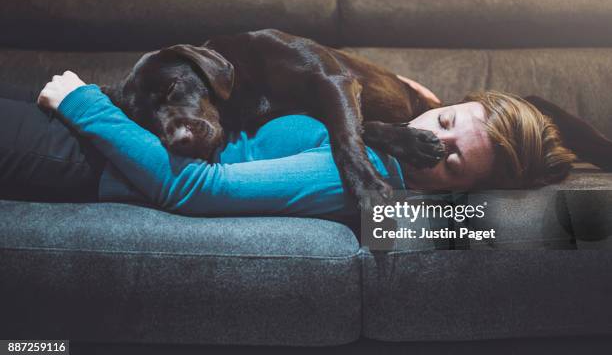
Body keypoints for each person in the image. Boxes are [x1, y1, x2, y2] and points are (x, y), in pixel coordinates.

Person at [0, 71, 575, 221]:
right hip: (124, 124)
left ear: (462, 192)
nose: (430, 141)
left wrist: (84, 105)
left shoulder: (360, 174)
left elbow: (193, 186)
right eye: (444, 119)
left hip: (91, 159)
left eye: (450, 160)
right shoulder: (386, 134)